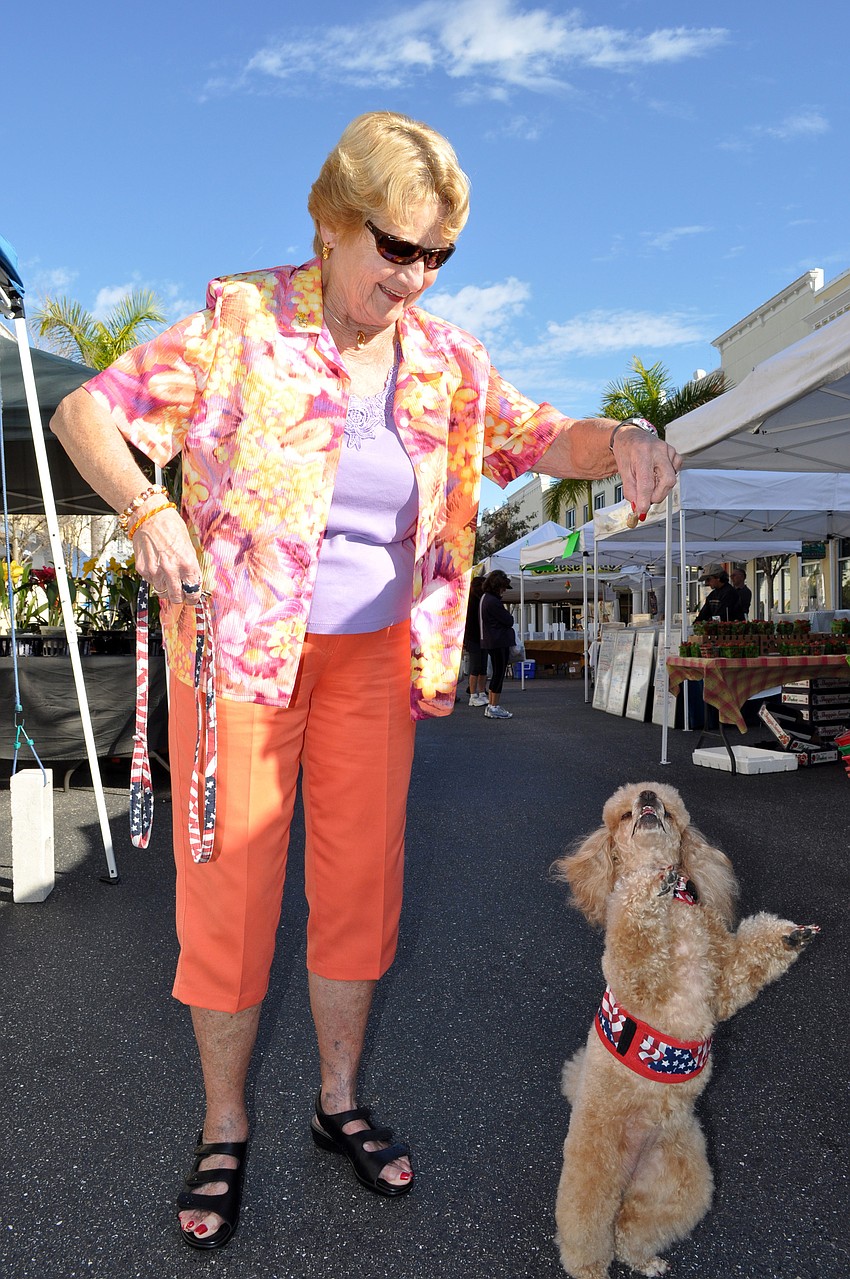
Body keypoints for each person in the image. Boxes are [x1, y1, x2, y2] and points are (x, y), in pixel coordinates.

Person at [49, 110, 681, 1250]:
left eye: (438, 256)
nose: (414, 277)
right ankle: (224, 1123)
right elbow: (86, 411)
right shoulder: (244, 323)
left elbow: (541, 437)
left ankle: (337, 1102)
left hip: (374, 661)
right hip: (240, 655)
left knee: (359, 890)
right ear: (332, 225)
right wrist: (146, 506)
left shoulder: (445, 362)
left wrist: (625, 433)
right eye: (396, 248)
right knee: (231, 900)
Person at [479, 570, 518, 719]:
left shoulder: (485, 598)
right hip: (498, 640)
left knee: (497, 673)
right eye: (502, 588)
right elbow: (508, 620)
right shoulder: (493, 602)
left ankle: (491, 705)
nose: (504, 591)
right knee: (499, 674)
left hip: (491, 640)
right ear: (497, 587)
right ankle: (494, 706)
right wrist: (508, 616)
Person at [463, 572, 488, 706]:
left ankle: (482, 692)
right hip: (474, 637)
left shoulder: (480, 599)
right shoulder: (472, 601)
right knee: (476, 666)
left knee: (482, 667)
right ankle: (473, 695)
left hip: (481, 637)